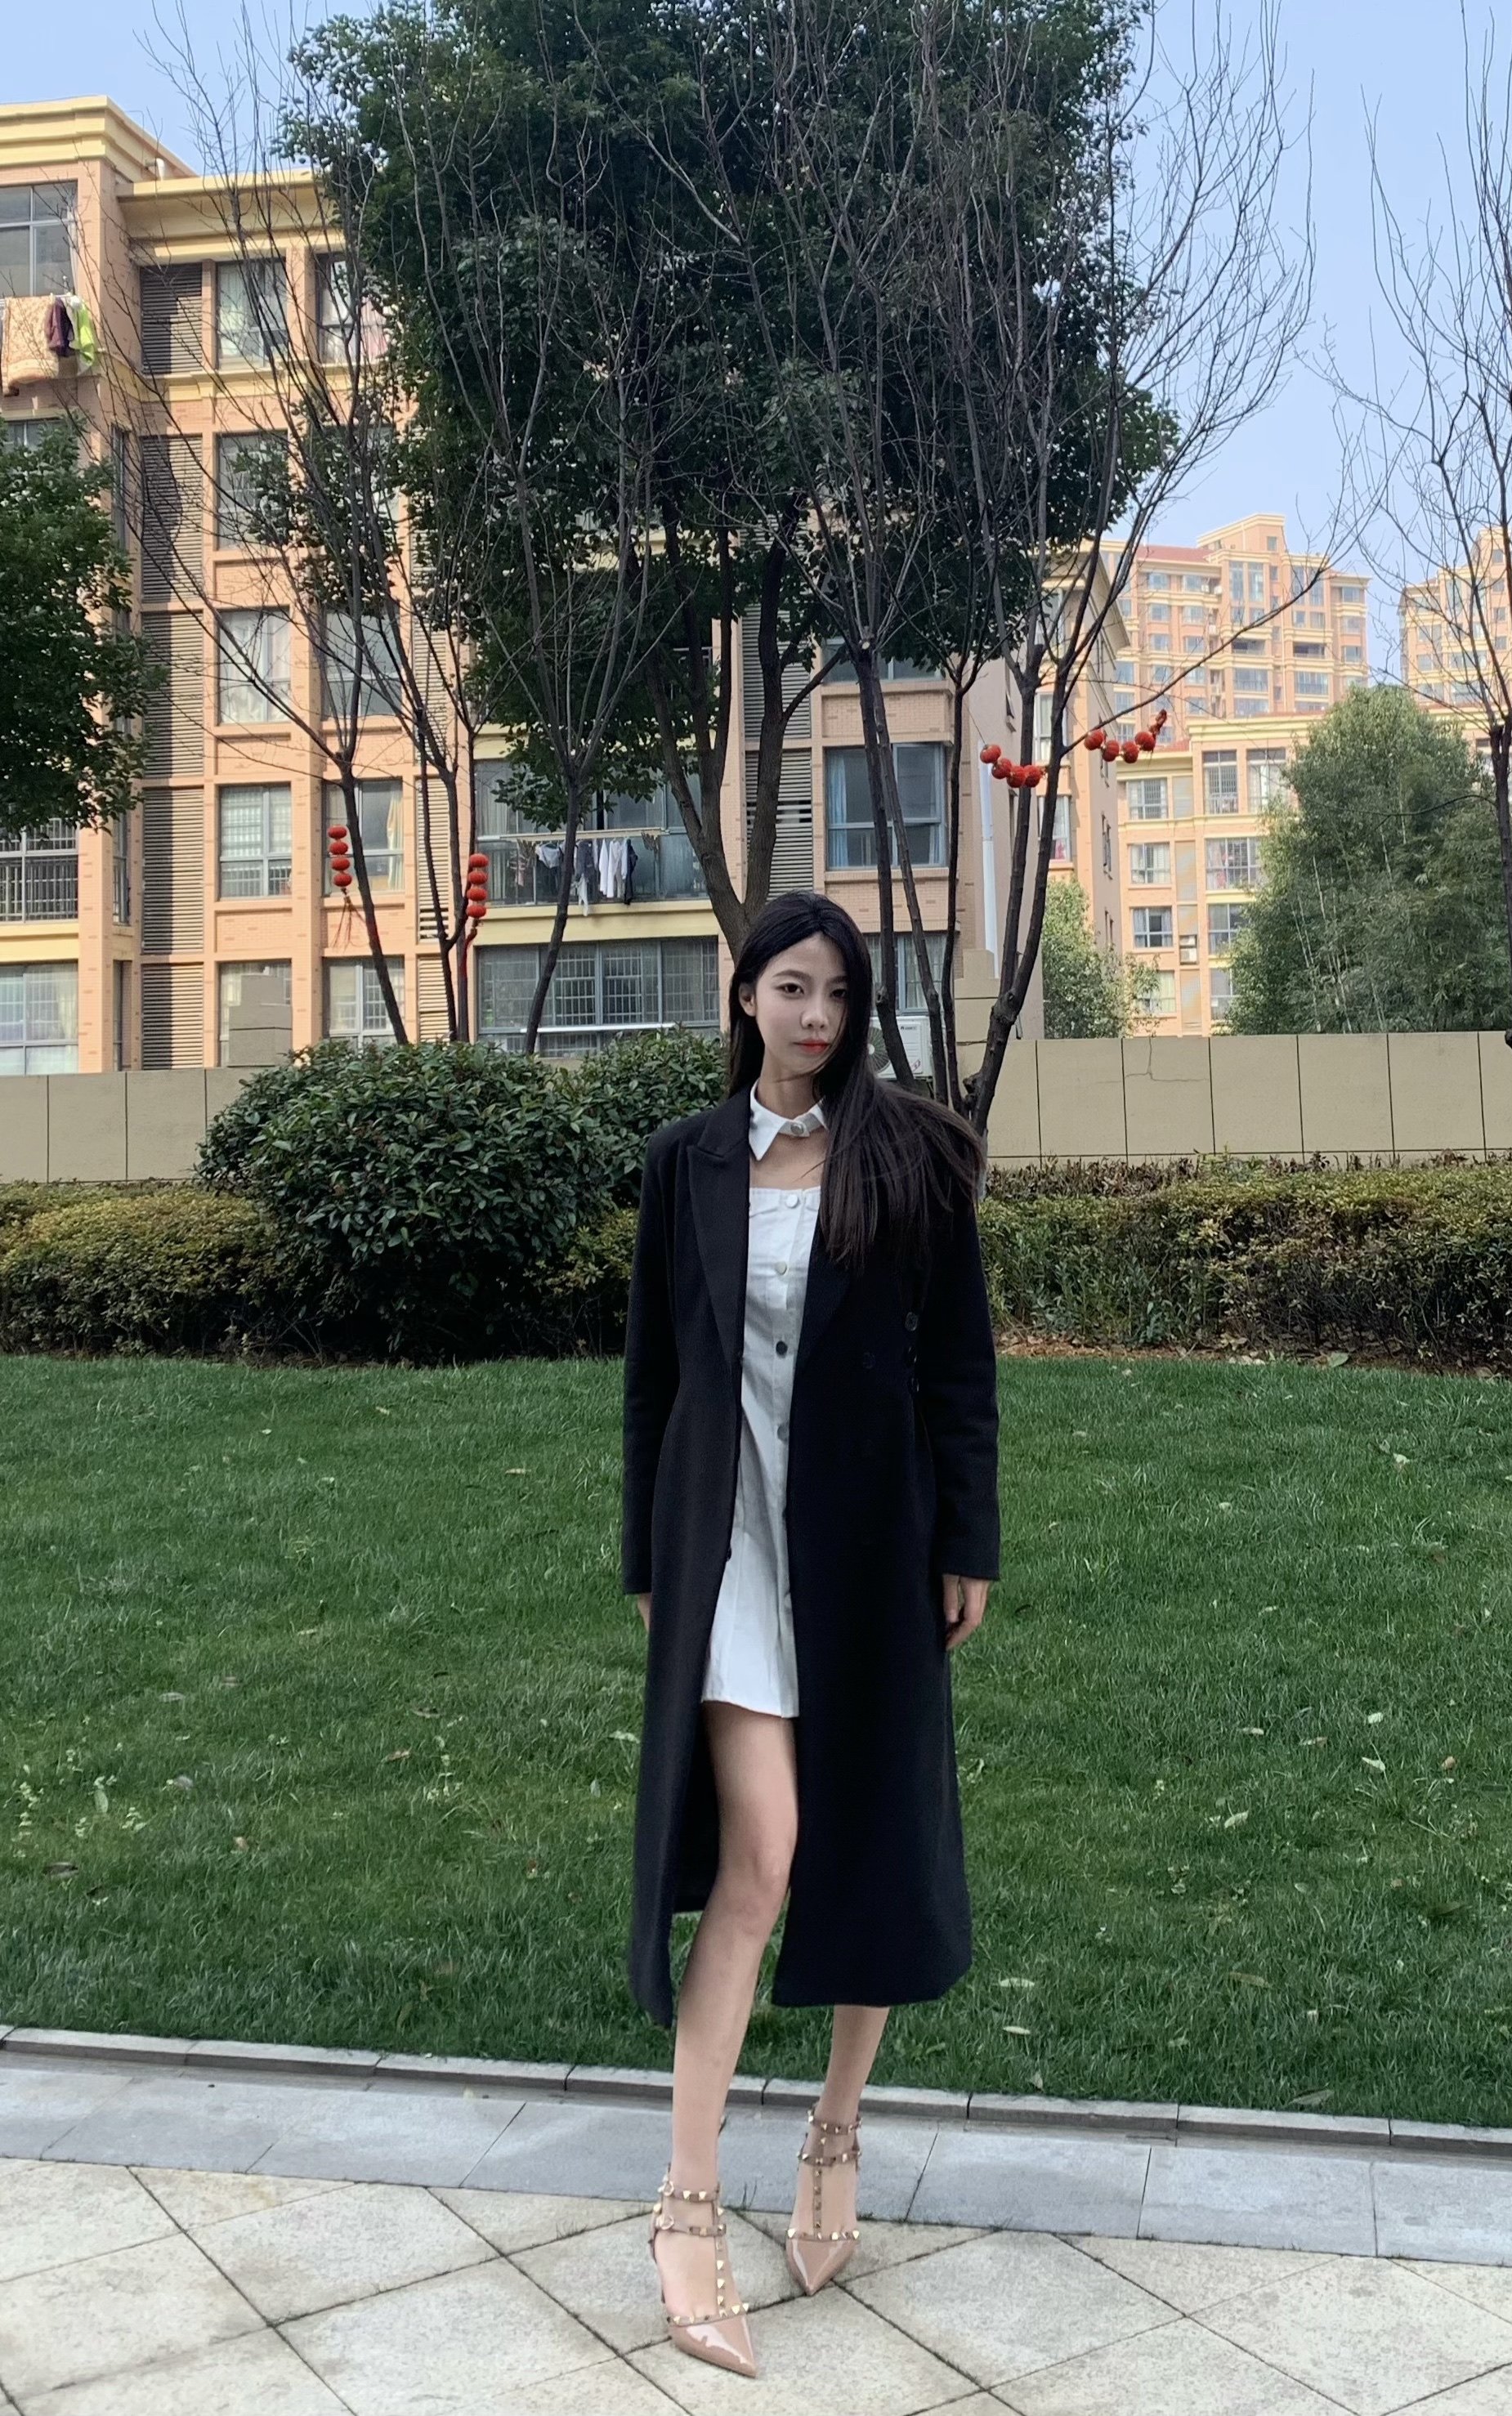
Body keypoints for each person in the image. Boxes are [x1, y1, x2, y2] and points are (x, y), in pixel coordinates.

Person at [621, 890, 1000, 2378]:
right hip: (724, 1546)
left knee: (866, 1835)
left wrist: (966, 1542)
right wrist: (645, 1555)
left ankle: (834, 2134)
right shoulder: (687, 1161)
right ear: (745, 996)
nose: (818, 1017)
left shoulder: (911, 1156)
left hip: (864, 1545)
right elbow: (653, 1378)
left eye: (840, 993)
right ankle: (685, 2202)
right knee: (763, 1856)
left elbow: (959, 1368)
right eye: (792, 988)